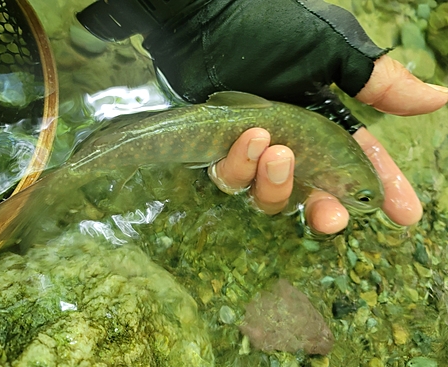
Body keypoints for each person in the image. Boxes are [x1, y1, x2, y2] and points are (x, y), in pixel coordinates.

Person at [77, 0, 448, 234]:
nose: (364, 201)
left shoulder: (328, 156)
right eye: (362, 197)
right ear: (334, 178)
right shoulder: (330, 158)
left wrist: (193, 12)